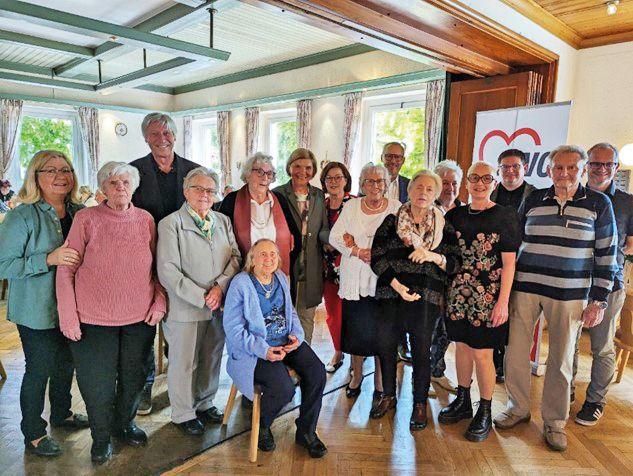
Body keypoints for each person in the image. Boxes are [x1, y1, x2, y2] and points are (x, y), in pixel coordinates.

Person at [496, 145, 618, 452]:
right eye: (558, 168)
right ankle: (517, 408)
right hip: (526, 288)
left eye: (571, 168)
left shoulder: (599, 203)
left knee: (561, 360)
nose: (564, 173)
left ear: (582, 170)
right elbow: (515, 242)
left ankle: (554, 422)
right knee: (515, 353)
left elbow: (607, 254)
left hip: (570, 293)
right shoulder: (534, 199)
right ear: (549, 171)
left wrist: (599, 300)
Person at [56, 161, 167, 464]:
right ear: (103, 188)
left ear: (134, 187)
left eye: (126, 182)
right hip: (93, 321)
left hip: (139, 319)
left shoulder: (145, 220)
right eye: (113, 183)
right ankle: (101, 437)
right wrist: (68, 316)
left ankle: (124, 424)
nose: (120, 187)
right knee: (98, 384)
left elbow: (157, 268)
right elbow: (66, 270)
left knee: (134, 379)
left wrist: (160, 301)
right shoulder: (86, 219)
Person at [0, 150, 88, 457]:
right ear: (35, 177)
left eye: (65, 169)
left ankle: (62, 413)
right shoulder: (21, 216)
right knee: (39, 369)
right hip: (36, 309)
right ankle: (34, 433)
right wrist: (48, 259)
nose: (60, 176)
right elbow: (4, 265)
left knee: (66, 364)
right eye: (50, 170)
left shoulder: (80, 212)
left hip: (73, 307)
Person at [438, 161, 521, 442]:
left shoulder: (505, 217)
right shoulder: (455, 215)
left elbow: (509, 264)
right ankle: (463, 400)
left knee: (483, 354)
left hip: (488, 297)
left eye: (486, 178)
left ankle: (484, 409)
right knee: (461, 347)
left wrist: (503, 303)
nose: (479, 183)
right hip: (458, 294)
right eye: (474, 178)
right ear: (467, 183)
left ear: (494, 183)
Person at [371, 170, 460, 430]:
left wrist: (432, 256)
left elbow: (455, 263)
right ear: (409, 191)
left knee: (422, 351)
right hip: (391, 294)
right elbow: (377, 257)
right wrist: (397, 286)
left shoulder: (443, 227)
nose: (423, 193)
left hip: (426, 298)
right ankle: (389, 395)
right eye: (418, 187)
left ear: (436, 194)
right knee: (386, 346)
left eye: (430, 189)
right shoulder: (391, 222)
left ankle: (419, 403)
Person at [223, 239, 327, 458]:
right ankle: (262, 424)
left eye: (272, 254)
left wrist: (297, 336)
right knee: (284, 389)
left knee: (317, 372)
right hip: (254, 350)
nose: (268, 258)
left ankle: (306, 431)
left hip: (285, 342)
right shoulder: (241, 284)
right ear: (252, 259)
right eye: (263, 254)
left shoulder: (280, 277)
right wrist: (264, 350)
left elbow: (291, 313)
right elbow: (233, 330)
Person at [157, 167, 241, 436]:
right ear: (186, 191)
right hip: (186, 306)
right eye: (199, 189)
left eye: (210, 190)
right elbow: (168, 270)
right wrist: (202, 297)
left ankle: (205, 403)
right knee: (184, 363)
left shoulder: (223, 220)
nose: (205, 194)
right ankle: (183, 414)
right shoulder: (170, 224)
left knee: (211, 356)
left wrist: (220, 287)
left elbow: (236, 257)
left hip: (218, 304)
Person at [130, 112, 201, 415]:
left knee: (180, 329)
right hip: (144, 260)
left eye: (167, 133)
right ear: (146, 138)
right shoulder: (133, 171)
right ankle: (145, 387)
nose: (162, 139)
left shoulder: (193, 171)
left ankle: (180, 386)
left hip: (185, 262)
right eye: (155, 134)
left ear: (175, 135)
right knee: (145, 328)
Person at [571, 143, 633, 426]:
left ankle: (595, 401)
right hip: (572, 283)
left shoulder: (627, 202)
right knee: (569, 343)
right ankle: (567, 391)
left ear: (616, 167)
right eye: (596, 163)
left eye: (608, 164)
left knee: (602, 346)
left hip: (609, 285)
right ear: (587, 166)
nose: (601, 169)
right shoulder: (574, 195)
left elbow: (630, 245)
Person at [329, 163, 401, 401]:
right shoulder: (351, 206)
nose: (374, 185)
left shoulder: (396, 207)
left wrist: (375, 252)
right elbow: (335, 236)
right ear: (361, 184)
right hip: (355, 281)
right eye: (369, 181)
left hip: (383, 282)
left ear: (386, 184)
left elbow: (402, 241)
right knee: (356, 334)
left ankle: (379, 382)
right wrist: (357, 251)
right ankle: (357, 376)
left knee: (382, 336)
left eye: (379, 181)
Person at [490, 149, 536, 383]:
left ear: (524, 168)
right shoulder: (490, 192)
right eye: (505, 167)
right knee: (493, 315)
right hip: (492, 268)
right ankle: (494, 363)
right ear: (498, 169)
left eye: (515, 166)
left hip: (523, 267)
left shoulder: (536, 196)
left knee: (516, 321)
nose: (510, 171)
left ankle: (510, 368)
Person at [274, 148, 329, 343]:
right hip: (284, 264)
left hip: (312, 266)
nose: (302, 172)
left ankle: (305, 358)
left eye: (308, 167)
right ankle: (284, 358)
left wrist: (335, 241)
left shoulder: (319, 195)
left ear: (313, 170)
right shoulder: (277, 194)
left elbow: (324, 228)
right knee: (281, 316)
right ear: (289, 167)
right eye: (297, 166)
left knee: (306, 318)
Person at [218, 152, 296, 278]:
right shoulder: (232, 200)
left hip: (277, 274)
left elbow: (295, 237)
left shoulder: (280, 200)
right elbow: (221, 240)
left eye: (269, 173)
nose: (265, 178)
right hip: (243, 276)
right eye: (259, 172)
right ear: (248, 175)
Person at [429, 159, 465, 394]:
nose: (450, 188)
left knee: (447, 330)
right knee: (429, 328)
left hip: (457, 281)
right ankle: (422, 376)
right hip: (431, 280)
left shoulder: (465, 211)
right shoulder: (427, 209)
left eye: (454, 183)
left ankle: (437, 371)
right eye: (445, 182)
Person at [320, 161, 354, 373]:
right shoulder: (321, 205)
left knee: (352, 314)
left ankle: (356, 357)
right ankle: (338, 351)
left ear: (346, 180)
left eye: (338, 177)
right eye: (329, 178)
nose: (333, 182)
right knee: (333, 314)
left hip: (350, 267)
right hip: (326, 269)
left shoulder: (355, 203)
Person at [380, 142, 412, 363]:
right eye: (389, 156)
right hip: (377, 249)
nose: (393, 160)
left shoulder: (410, 185)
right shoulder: (372, 182)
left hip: (402, 252)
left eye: (397, 157)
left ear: (403, 160)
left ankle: (402, 343)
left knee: (401, 297)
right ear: (382, 157)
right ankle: (379, 341)